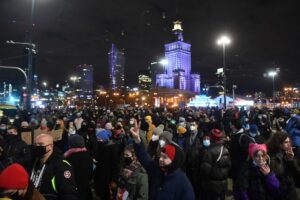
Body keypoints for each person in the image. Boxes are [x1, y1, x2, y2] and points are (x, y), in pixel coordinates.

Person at [130, 120, 195, 200]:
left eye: (165, 157)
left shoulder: (183, 183)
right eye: (161, 156)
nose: (160, 159)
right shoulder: (157, 170)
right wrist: (137, 139)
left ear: (174, 160)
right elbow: (144, 157)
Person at [30, 134, 78, 200]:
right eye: (35, 145)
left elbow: (69, 194)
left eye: (41, 144)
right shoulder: (34, 161)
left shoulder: (61, 165)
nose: (37, 147)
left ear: (50, 146)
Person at [268, 131, 300, 200]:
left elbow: (296, 174)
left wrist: (291, 160)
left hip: (290, 190)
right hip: (282, 193)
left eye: (289, 142)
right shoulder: (272, 158)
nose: (289, 144)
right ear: (279, 143)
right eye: (286, 142)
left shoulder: (287, 155)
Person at [200, 129, 231, 200]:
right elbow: (229, 166)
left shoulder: (209, 151)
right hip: (223, 182)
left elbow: (205, 170)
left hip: (212, 184)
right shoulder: (225, 149)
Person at [64, 135, 93, 200]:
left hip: (74, 191)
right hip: (86, 189)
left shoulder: (69, 158)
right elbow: (90, 174)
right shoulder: (88, 156)